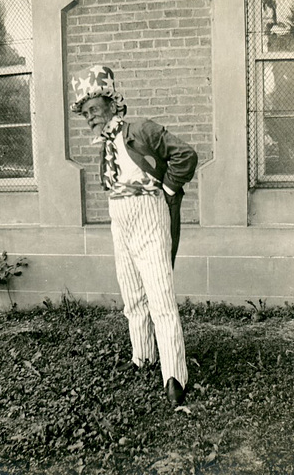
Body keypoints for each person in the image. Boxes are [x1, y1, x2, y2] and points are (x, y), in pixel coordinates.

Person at [70, 65, 198, 406]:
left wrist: (168, 189)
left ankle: (174, 377)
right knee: (132, 294)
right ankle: (143, 358)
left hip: (148, 213)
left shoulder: (139, 129)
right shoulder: (106, 143)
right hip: (119, 218)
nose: (91, 118)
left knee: (161, 298)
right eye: (85, 114)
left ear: (112, 104)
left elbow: (185, 155)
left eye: (95, 109)